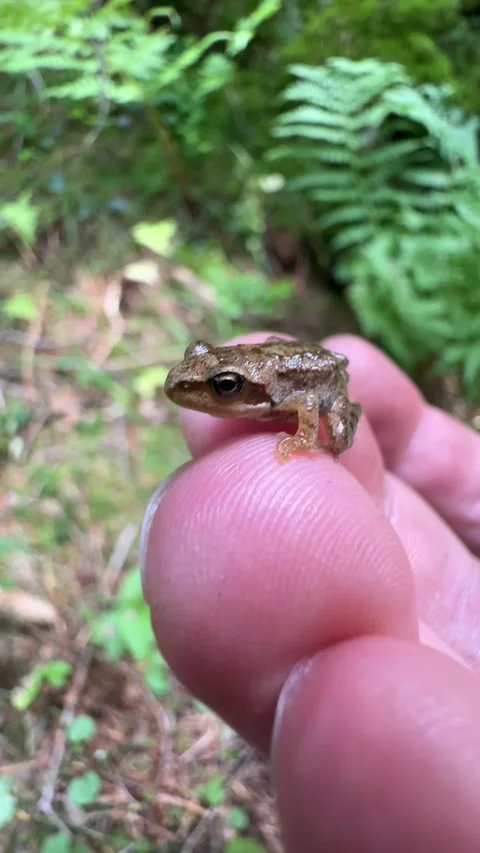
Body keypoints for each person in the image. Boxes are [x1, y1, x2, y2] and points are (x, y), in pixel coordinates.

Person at [140, 333, 480, 852]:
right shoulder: (248, 385)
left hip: (319, 375)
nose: (202, 391)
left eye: (224, 387)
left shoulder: (286, 392)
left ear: (246, 389)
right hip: (284, 360)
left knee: (338, 431)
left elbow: (304, 401)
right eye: (212, 376)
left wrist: (307, 440)